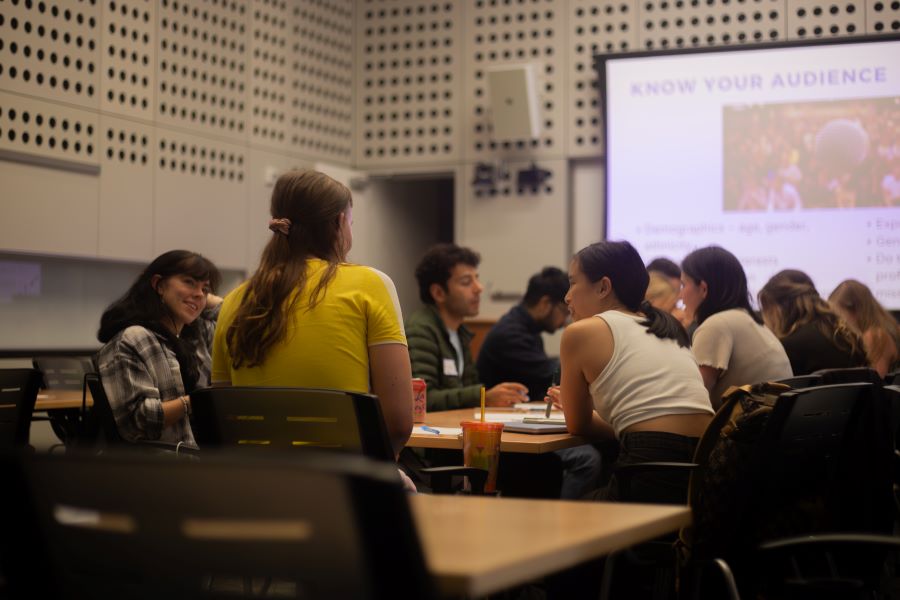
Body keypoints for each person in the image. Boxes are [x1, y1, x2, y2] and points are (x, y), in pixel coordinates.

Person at [211, 169, 413, 458]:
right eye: (351, 223)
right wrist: (384, 474)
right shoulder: (371, 286)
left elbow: (224, 420)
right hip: (344, 485)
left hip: (255, 487)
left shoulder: (234, 301)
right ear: (339, 223)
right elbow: (398, 424)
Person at [547, 240, 713, 504]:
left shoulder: (581, 332)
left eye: (573, 283)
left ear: (603, 287)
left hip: (652, 462)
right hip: (708, 460)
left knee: (570, 519)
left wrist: (575, 407)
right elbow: (652, 414)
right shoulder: (665, 325)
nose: (567, 296)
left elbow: (577, 425)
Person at [476, 267, 603, 499]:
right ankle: (569, 529)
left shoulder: (524, 329)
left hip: (517, 425)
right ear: (545, 303)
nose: (565, 318)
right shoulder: (511, 334)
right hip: (505, 436)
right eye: (563, 311)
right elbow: (549, 373)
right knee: (587, 459)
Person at [96, 250, 222, 447]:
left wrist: (205, 298)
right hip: (160, 467)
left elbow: (235, 323)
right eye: (189, 282)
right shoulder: (135, 338)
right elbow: (139, 421)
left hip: (198, 458)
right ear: (159, 285)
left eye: (205, 289)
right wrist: (200, 401)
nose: (199, 293)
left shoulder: (195, 336)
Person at [405, 243, 528, 411]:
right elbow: (423, 397)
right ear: (438, 293)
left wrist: (494, 397)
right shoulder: (420, 330)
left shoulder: (460, 332)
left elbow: (468, 386)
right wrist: (483, 397)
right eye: (466, 282)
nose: (479, 288)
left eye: (477, 278)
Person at [681, 246, 792, 407]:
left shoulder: (716, 325)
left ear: (703, 289)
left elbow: (694, 397)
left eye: (683, 285)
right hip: (772, 424)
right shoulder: (749, 320)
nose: (680, 295)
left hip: (750, 428)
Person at [758, 270, 867, 375]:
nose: (764, 318)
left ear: (777, 308)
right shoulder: (846, 335)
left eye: (766, 309)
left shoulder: (789, 347)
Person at [828, 279, 900, 378]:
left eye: (839, 314)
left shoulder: (875, 336)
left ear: (855, 310)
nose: (837, 320)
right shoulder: (881, 330)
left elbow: (875, 380)